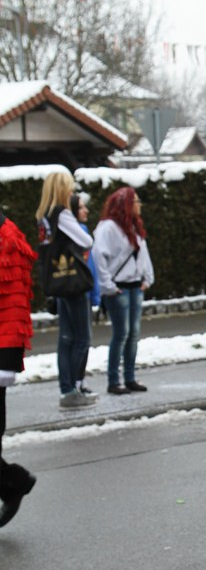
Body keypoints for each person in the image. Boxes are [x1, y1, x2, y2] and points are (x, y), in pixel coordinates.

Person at [36, 171, 98, 409]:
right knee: (82, 337)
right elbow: (86, 241)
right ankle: (72, 389)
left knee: (65, 338)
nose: (72, 193)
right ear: (62, 190)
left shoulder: (43, 216)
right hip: (72, 281)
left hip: (57, 281)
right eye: (69, 189)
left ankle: (67, 389)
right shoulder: (62, 214)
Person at [92, 186, 154, 395]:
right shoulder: (108, 227)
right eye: (135, 201)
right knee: (121, 334)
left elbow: (143, 254)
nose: (139, 205)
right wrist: (108, 285)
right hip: (119, 288)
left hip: (135, 286)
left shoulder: (134, 227)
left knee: (133, 334)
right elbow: (99, 256)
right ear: (125, 204)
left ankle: (129, 377)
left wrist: (147, 278)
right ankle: (113, 380)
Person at [0, 211, 37, 527]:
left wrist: (6, 361)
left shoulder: (8, 239)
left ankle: (13, 482)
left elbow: (15, 300)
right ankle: (12, 482)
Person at [71, 192, 101, 395]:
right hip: (81, 292)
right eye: (81, 207)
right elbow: (90, 268)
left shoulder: (82, 230)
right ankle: (74, 383)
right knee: (81, 340)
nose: (86, 210)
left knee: (82, 341)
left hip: (86, 292)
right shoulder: (78, 233)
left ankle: (78, 381)